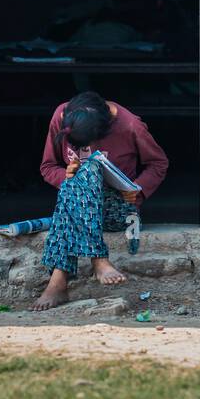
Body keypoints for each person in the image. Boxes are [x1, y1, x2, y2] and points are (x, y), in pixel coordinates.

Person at [31, 91, 168, 310]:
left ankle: (58, 280)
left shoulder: (131, 125)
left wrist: (138, 190)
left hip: (118, 211)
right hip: (76, 204)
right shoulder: (62, 116)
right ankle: (97, 260)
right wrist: (67, 174)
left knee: (90, 168)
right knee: (78, 181)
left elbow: (158, 163)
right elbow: (48, 167)